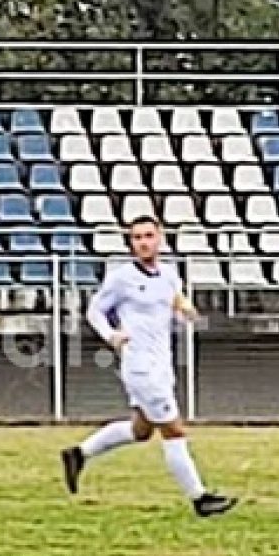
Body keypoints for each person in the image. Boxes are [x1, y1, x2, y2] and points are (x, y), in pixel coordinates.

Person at [60, 216, 237, 516]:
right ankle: (200, 498)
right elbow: (94, 310)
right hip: (140, 367)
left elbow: (174, 297)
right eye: (137, 237)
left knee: (141, 430)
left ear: (160, 239)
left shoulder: (169, 274)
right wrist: (110, 335)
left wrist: (185, 308)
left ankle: (79, 453)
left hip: (162, 364)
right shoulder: (121, 278)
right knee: (174, 430)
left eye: (148, 236)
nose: (143, 242)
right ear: (130, 243)